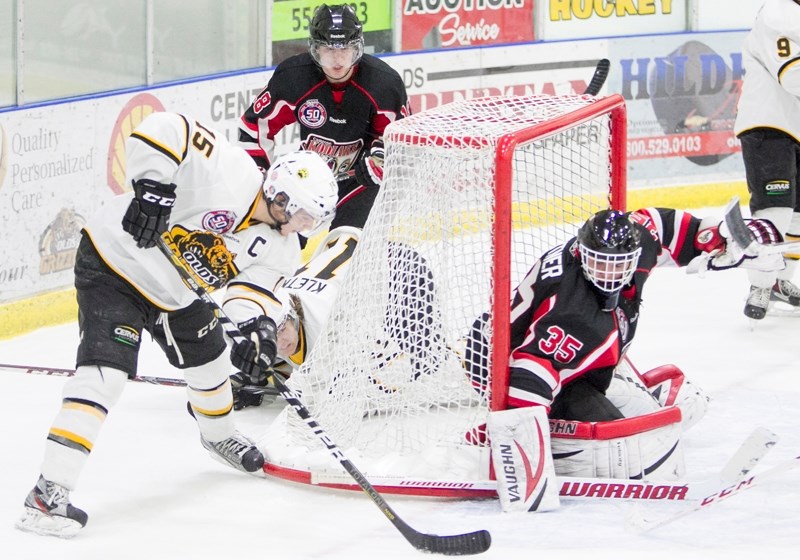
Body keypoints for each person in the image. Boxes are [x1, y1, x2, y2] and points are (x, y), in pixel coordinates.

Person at [15, 111, 338, 538]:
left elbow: (250, 293)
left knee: (211, 359)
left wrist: (255, 330)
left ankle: (219, 436)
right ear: (282, 198)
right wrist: (153, 189)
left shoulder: (280, 247)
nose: (306, 228)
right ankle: (46, 494)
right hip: (115, 266)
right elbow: (164, 128)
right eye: (304, 217)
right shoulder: (231, 171)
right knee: (104, 376)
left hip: (176, 292)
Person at [464, 206, 784, 510]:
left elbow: (656, 225)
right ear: (581, 253)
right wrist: (520, 455)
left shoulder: (632, 247)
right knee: (635, 455)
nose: (610, 273)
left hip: (557, 357)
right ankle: (533, 442)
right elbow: (531, 374)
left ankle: (596, 410)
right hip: (499, 365)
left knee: (688, 403)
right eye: (600, 263)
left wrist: (712, 238)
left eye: (618, 264)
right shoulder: (574, 313)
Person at [237, 4, 410, 231]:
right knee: (279, 237)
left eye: (345, 49)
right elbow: (254, 127)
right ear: (315, 50)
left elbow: (398, 137)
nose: (337, 60)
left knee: (349, 242)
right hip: (307, 178)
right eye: (328, 50)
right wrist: (260, 176)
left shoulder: (384, 84)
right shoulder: (293, 78)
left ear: (357, 48)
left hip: (359, 182)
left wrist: (379, 158)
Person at [733, 0, 800, 320]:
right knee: (775, 211)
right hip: (770, 126)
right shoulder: (779, 12)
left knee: (799, 213)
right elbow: (794, 75)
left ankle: (780, 281)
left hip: (797, 127)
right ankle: (759, 283)